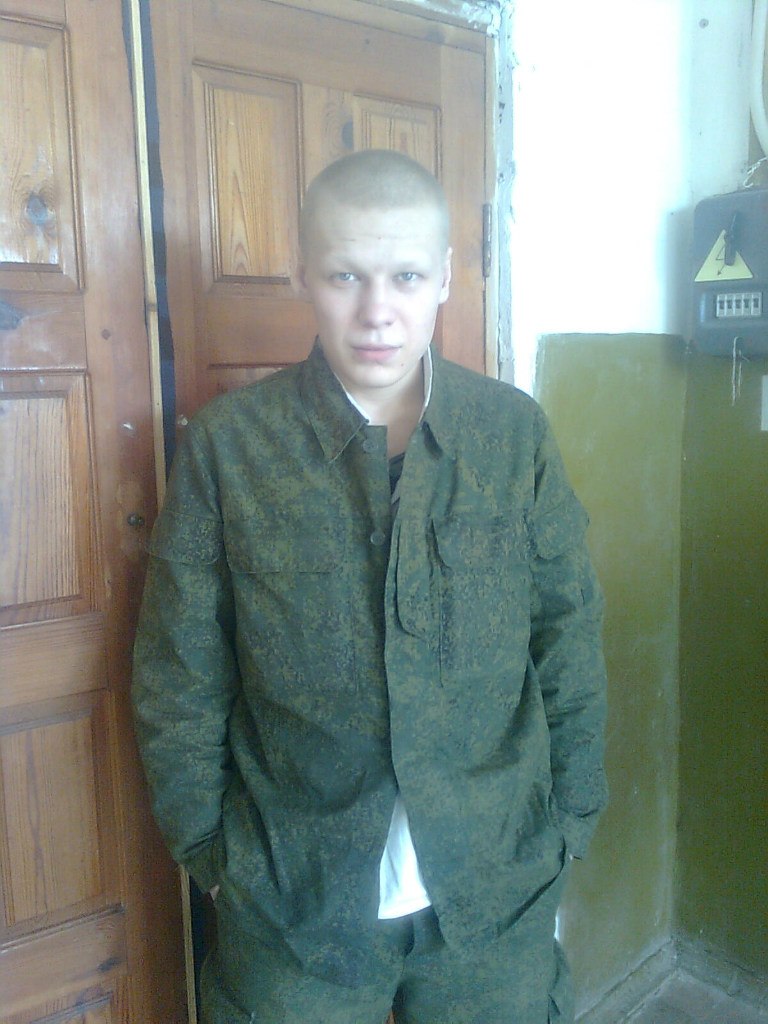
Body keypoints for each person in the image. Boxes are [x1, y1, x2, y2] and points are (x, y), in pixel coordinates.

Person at [132, 149, 608, 1024]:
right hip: (291, 900)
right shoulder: (229, 449)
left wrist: (572, 818)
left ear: (446, 278)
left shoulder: (513, 436)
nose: (378, 311)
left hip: (496, 889)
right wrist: (209, 850)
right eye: (346, 275)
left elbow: (566, 634)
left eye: (407, 276)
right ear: (303, 275)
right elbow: (180, 671)